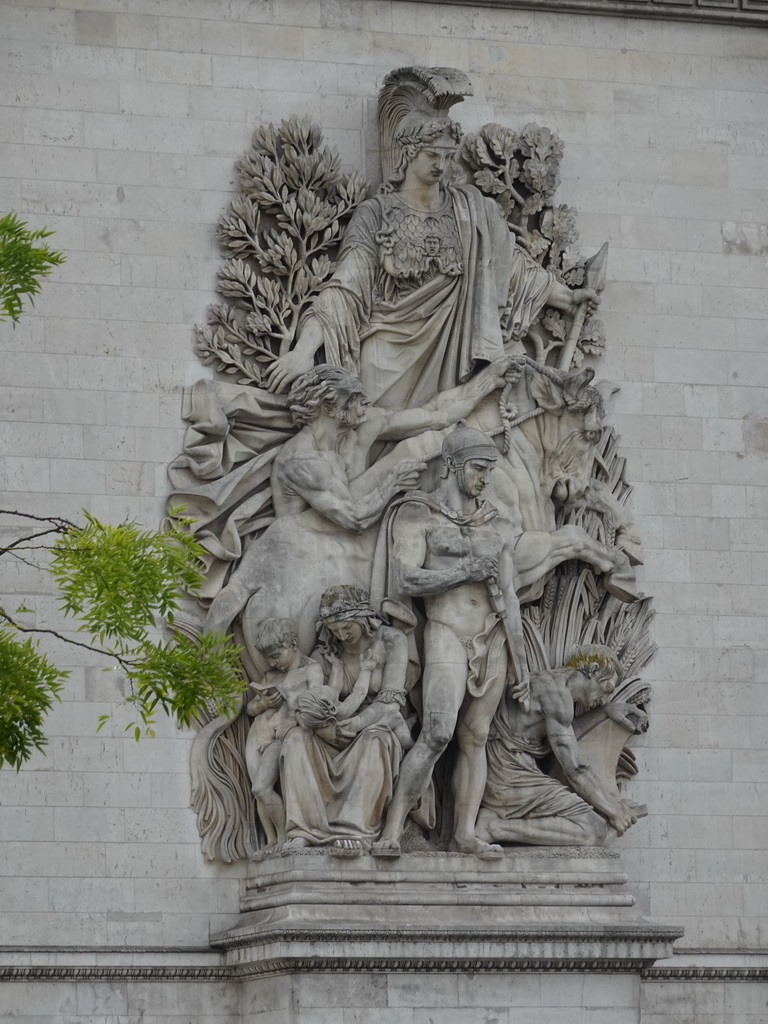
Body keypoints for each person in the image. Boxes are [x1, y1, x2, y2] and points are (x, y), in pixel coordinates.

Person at [264, 115, 596, 409]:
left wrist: (566, 297)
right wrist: (303, 351)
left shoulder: (470, 209)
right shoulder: (376, 213)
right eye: (432, 155)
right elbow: (344, 288)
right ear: (409, 153)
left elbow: (510, 265)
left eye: (448, 157)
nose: (441, 165)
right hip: (387, 351)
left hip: (456, 347)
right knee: (377, 437)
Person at [204, 358, 521, 647]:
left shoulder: (361, 427)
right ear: (330, 405)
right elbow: (353, 518)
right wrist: (391, 483)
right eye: (354, 397)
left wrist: (491, 379)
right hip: (302, 552)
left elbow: (437, 414)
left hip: (344, 546)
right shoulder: (301, 458)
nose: (365, 402)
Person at [371, 421, 529, 859]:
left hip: (493, 638)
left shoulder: (495, 525)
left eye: (489, 471)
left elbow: (510, 598)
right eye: (478, 468)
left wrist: (522, 664)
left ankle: (464, 832)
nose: (484, 479)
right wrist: (462, 572)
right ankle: (392, 828)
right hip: (445, 632)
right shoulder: (418, 512)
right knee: (438, 732)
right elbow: (404, 577)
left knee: (475, 737)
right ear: (454, 465)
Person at [279, 585, 415, 856]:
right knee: (295, 740)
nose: (341, 635)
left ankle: (355, 830)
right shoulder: (326, 654)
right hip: (331, 730)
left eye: (347, 628)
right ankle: (305, 830)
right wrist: (324, 728)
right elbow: (310, 704)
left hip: (377, 724)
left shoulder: (392, 641)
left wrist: (355, 724)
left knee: (374, 740)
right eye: (334, 629)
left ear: (364, 619)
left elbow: (389, 704)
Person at [475, 644, 648, 846]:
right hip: (508, 776)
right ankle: (494, 827)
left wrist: (605, 711)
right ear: (592, 669)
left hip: (507, 771)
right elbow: (576, 769)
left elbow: (567, 733)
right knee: (594, 829)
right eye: (607, 689)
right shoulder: (557, 695)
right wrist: (613, 811)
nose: (604, 698)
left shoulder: (549, 685)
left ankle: (494, 822)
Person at [244, 617, 324, 846]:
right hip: (258, 734)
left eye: (276, 655)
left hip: (282, 736)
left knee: (261, 787)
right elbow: (250, 708)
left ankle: (283, 838)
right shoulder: (271, 676)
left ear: (293, 644)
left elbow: (316, 703)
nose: (273, 662)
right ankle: (270, 841)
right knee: (258, 792)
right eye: (268, 658)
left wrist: (291, 709)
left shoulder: (311, 670)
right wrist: (265, 704)